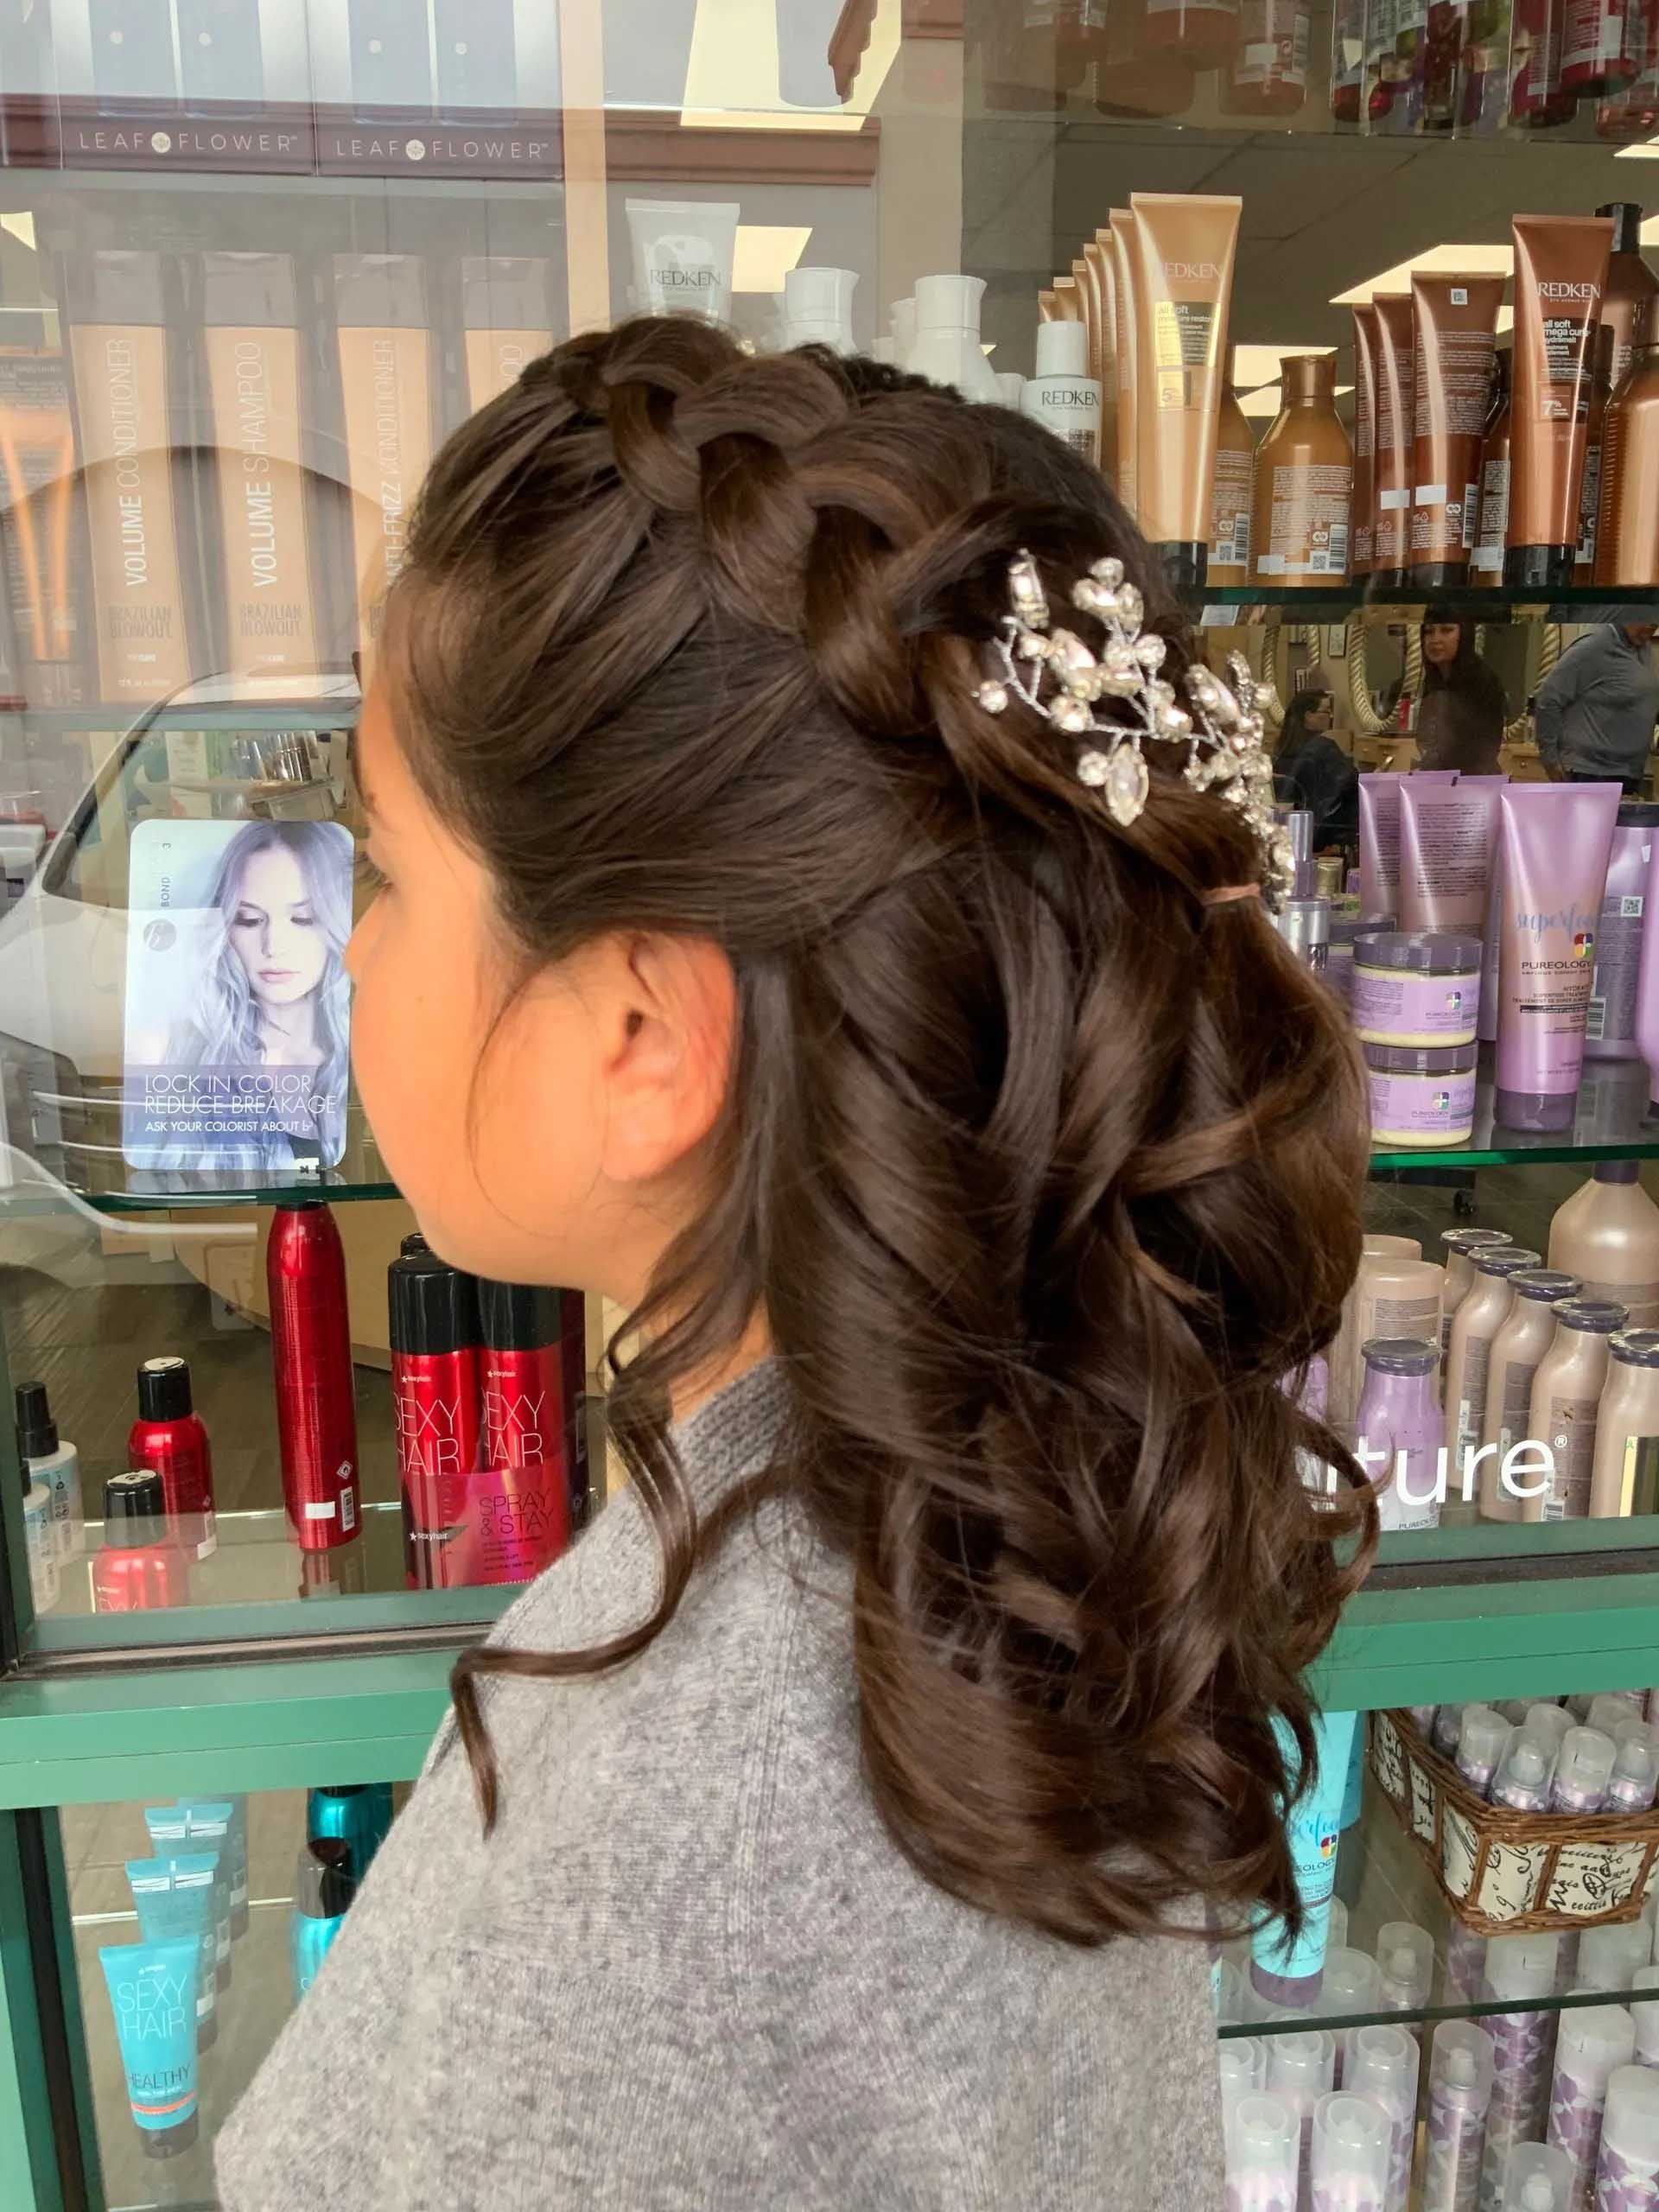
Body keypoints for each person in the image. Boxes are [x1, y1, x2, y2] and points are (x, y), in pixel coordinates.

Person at [218, 319, 1374, 2211]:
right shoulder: (1036, 1481)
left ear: (646, 1035)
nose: (350, 952)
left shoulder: (657, 1862)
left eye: (387, 870)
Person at [130, 818, 353, 1170]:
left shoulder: (359, 1062)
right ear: (225, 929)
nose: (273, 946)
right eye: (249, 920)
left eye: (303, 918)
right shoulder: (163, 1051)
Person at [1535, 619, 1659, 791]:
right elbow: (1548, 698)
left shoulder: (1641, 647)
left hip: (1627, 773)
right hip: (1590, 773)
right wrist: (1549, 759)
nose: (1651, 626)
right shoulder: (1594, 644)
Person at [1412, 608, 1509, 774]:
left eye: (1446, 630)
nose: (1435, 640)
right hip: (1440, 779)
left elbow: (1483, 751)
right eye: (1429, 631)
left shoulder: (1483, 680)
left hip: (1474, 784)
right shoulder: (1434, 679)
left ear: (1463, 634)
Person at [1274, 686, 1357, 846]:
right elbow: (1352, 786)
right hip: (1322, 836)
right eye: (1326, 711)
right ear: (1308, 716)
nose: (1331, 716)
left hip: (1291, 833)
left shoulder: (1282, 750)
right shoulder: (1323, 749)